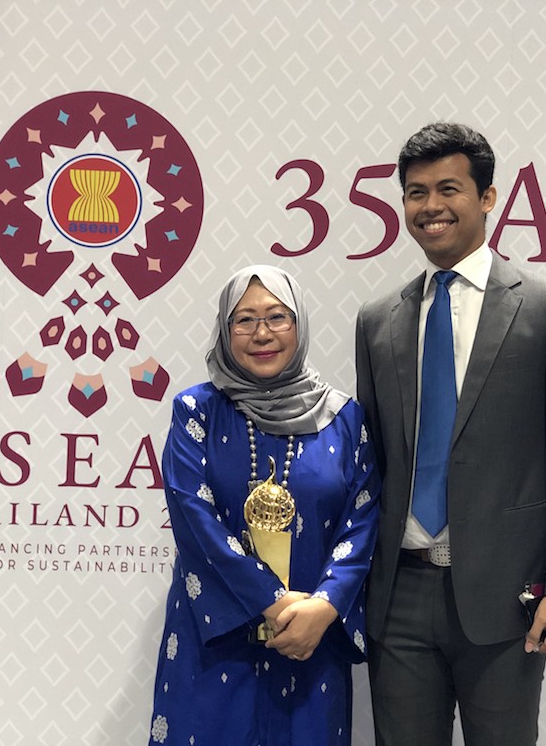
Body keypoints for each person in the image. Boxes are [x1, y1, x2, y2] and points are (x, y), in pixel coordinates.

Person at [355, 122, 546, 745]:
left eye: (448, 188)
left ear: (488, 198)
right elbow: (374, 462)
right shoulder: (378, 320)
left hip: (506, 599)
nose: (430, 206)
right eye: (415, 192)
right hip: (399, 597)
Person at [148, 265, 380, 746]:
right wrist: (270, 601)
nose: (262, 334)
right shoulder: (197, 412)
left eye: (277, 317)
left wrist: (325, 606)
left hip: (310, 639)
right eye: (244, 320)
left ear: (299, 325)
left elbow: (362, 520)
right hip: (216, 638)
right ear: (224, 330)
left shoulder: (344, 418)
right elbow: (194, 518)